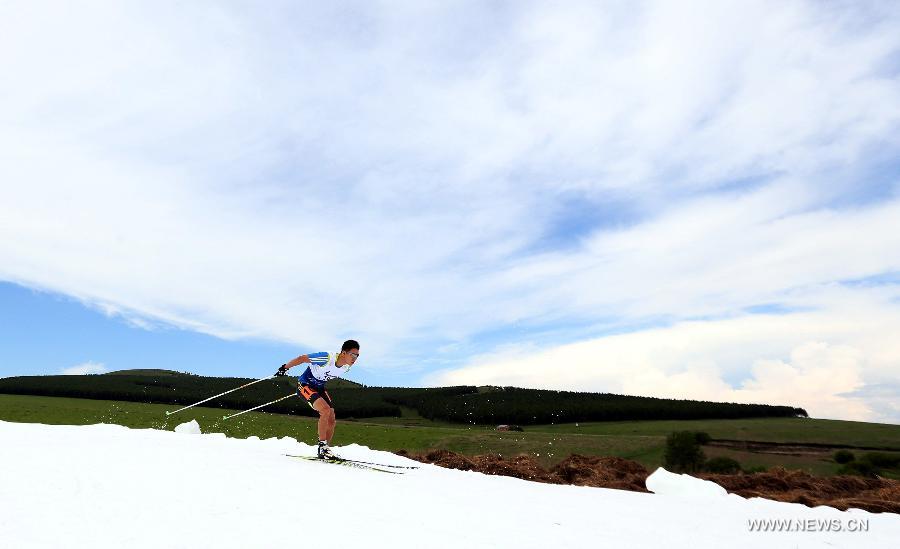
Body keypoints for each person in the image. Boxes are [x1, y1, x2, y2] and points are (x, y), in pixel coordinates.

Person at [276, 339, 360, 460]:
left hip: (319, 387)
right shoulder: (326, 358)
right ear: (343, 353)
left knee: (331, 419)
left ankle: (325, 449)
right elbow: (302, 358)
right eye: (352, 355)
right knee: (325, 410)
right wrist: (285, 367)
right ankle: (321, 446)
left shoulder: (346, 367)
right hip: (305, 385)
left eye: (357, 356)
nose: (355, 358)